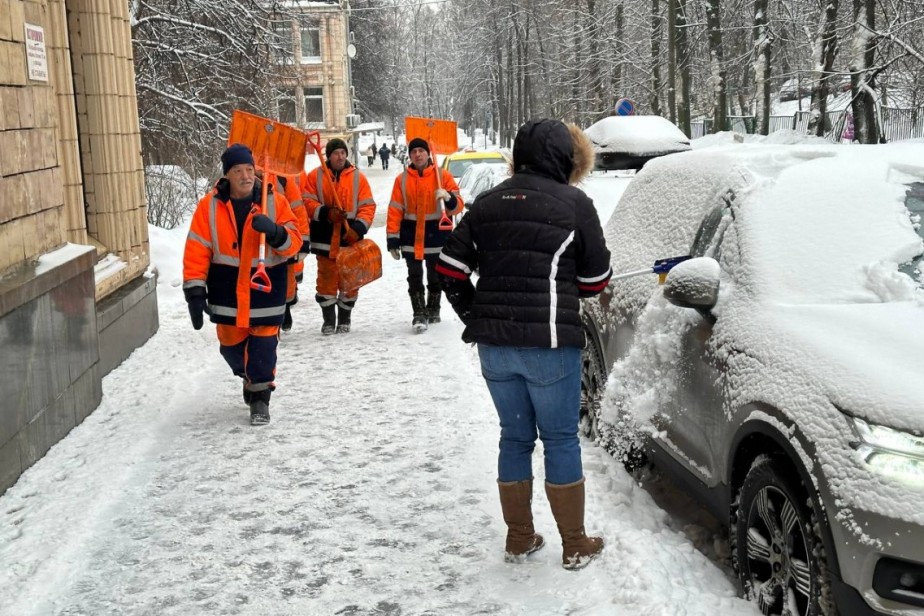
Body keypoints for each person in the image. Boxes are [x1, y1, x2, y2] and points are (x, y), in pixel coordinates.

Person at [436, 119, 612, 569]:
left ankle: (519, 537)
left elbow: (449, 268)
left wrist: (476, 315)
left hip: (496, 350)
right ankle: (574, 543)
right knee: (559, 438)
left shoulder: (488, 203)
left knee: (514, 438)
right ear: (569, 160)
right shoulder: (576, 205)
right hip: (550, 347)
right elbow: (594, 281)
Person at [183, 143, 302, 425]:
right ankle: (249, 377)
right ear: (227, 175)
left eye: (249, 169)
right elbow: (197, 249)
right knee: (231, 347)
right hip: (227, 294)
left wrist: (275, 232)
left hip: (265, 291)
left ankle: (260, 398)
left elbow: (294, 241)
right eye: (239, 171)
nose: (246, 176)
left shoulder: (274, 202)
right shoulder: (208, 207)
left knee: (263, 347)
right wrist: (195, 291)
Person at [386, 137, 463, 332]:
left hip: (436, 235)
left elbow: (458, 206)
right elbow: (395, 210)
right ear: (410, 155)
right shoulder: (401, 180)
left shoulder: (442, 176)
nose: (418, 154)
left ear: (428, 153)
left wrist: (448, 197)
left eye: (421, 150)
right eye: (414, 152)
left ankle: (433, 308)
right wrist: (392, 238)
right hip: (411, 236)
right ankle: (418, 313)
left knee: (435, 275)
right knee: (414, 275)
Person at [303, 138, 376, 334]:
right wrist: (326, 212)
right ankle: (328, 319)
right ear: (329, 156)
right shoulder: (315, 177)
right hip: (325, 237)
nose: (341, 156)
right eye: (336, 153)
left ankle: (345, 318)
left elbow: (368, 206)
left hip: (349, 237)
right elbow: (307, 202)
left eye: (343, 152)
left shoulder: (358, 178)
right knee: (326, 280)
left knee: (350, 280)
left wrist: (358, 229)